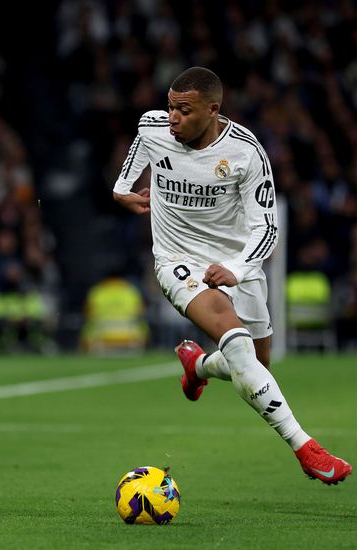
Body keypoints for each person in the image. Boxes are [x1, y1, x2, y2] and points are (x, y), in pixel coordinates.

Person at [112, 67, 351, 485]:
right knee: (236, 343)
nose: (172, 118)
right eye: (170, 107)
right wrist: (121, 188)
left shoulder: (246, 152)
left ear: (213, 110)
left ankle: (199, 366)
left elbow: (267, 228)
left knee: (256, 365)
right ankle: (306, 447)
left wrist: (237, 270)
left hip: (235, 263)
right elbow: (137, 153)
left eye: (184, 111)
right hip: (177, 258)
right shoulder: (154, 127)